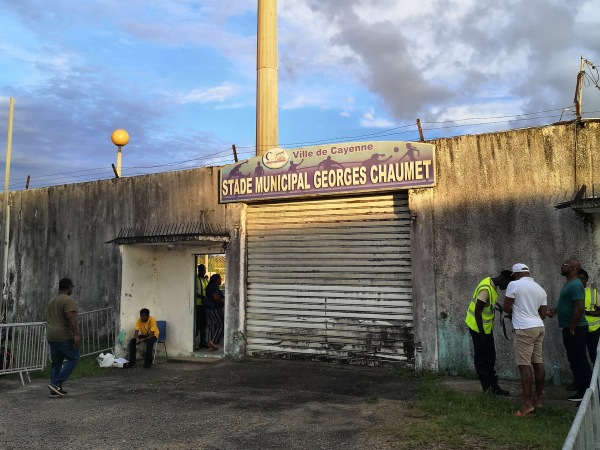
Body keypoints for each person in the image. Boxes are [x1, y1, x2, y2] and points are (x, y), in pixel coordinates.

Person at [502, 263, 547, 416]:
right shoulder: (540, 288)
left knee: (524, 365)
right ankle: (538, 400)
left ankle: (527, 405)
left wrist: (513, 314)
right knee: (537, 362)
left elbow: (506, 307)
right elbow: (543, 314)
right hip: (539, 327)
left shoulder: (513, 284)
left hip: (524, 329)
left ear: (515, 274)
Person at [548, 258, 591, 402]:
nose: (561, 267)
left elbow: (579, 307)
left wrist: (572, 326)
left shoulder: (575, 285)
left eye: (564, 265)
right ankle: (580, 388)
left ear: (573, 268)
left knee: (579, 360)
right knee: (574, 359)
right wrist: (556, 310)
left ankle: (585, 393)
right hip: (570, 327)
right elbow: (569, 305)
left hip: (576, 329)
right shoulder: (569, 284)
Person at [465, 270, 513, 396]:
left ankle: (494, 386)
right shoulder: (486, 288)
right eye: (507, 285)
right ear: (503, 278)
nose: (505, 288)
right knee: (482, 358)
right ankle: (487, 389)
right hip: (478, 328)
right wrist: (481, 335)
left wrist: (497, 306)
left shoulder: (492, 284)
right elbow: (477, 311)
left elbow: (487, 303)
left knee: (491, 356)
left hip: (485, 329)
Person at [47, 277, 81, 398]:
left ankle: (54, 389)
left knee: (56, 362)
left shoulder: (52, 301)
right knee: (74, 358)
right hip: (63, 335)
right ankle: (56, 383)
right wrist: (76, 335)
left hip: (51, 335)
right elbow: (70, 318)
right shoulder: (68, 300)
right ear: (69, 287)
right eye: (72, 287)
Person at [580, 269, 600, 366]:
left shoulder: (593, 292)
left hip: (593, 330)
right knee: (579, 356)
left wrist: (586, 312)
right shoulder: (572, 292)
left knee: (594, 356)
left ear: (586, 280)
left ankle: (597, 380)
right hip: (578, 329)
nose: (581, 280)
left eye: (583, 278)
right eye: (578, 278)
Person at [205, 274, 225, 351]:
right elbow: (215, 297)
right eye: (220, 278)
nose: (221, 280)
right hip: (215, 308)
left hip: (209, 309)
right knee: (221, 325)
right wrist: (223, 303)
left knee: (214, 326)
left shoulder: (210, 286)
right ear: (217, 279)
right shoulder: (214, 286)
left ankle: (211, 345)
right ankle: (213, 341)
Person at [195, 264, 209, 350]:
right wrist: (202, 297)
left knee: (204, 324)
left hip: (204, 305)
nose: (203, 271)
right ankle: (195, 342)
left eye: (204, 269)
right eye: (202, 270)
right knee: (197, 324)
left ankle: (203, 342)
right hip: (198, 305)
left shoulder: (205, 280)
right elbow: (194, 291)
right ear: (198, 270)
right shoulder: (195, 279)